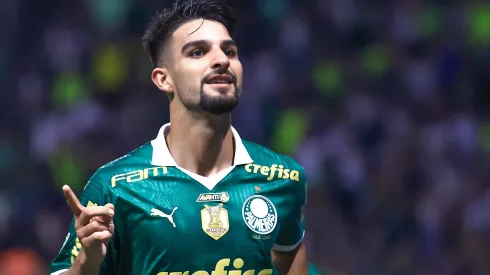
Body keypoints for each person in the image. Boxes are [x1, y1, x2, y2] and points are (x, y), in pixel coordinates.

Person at [50, 0, 308, 274]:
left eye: (230, 51)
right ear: (164, 79)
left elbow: (291, 258)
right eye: (198, 52)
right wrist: (87, 262)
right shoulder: (114, 188)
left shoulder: (283, 177)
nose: (221, 59)